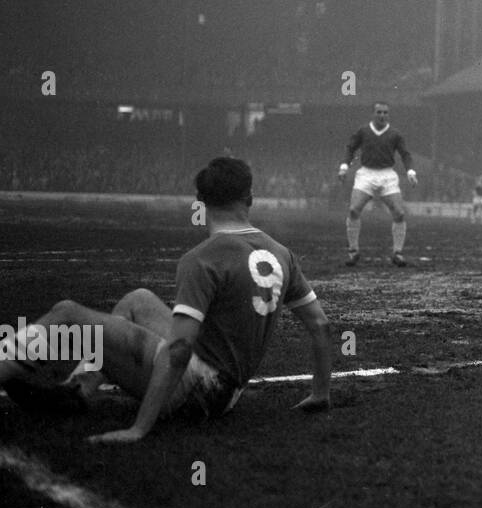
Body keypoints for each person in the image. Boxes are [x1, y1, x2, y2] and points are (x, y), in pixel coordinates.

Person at [0, 157, 332, 439]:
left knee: (67, 313)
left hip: (200, 387)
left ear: (200, 201)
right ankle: (78, 391)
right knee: (137, 300)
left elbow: (180, 348)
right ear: (250, 199)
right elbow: (320, 324)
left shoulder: (203, 258)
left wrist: (140, 427)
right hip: (228, 389)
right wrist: (320, 393)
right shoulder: (281, 253)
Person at [339, 102, 417, 267]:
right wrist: (344, 166)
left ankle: (397, 253)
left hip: (387, 175)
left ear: (388, 115)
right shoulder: (363, 131)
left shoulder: (395, 134)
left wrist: (410, 172)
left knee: (399, 213)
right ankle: (353, 251)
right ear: (373, 114)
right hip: (366, 174)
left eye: (385, 112)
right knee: (353, 210)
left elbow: (405, 154)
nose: (382, 115)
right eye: (379, 112)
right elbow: (350, 148)